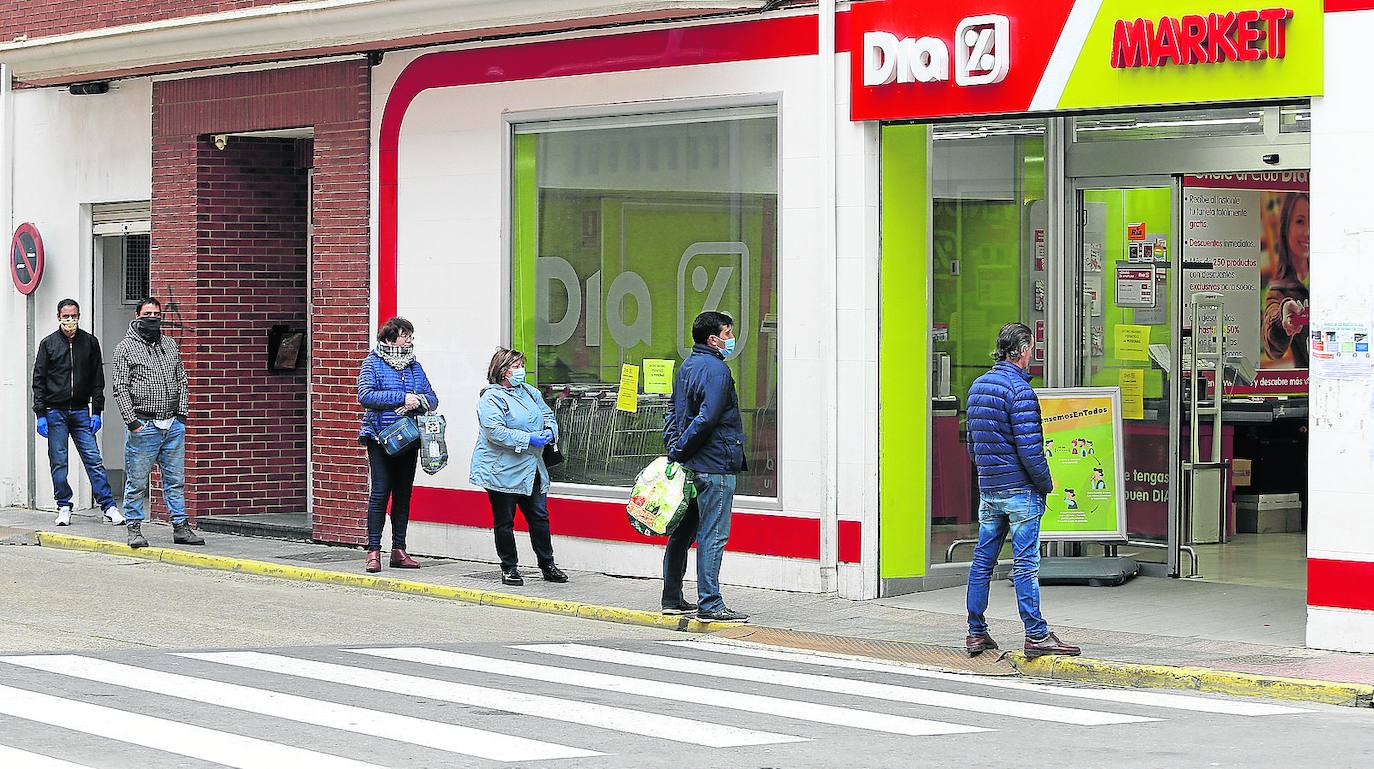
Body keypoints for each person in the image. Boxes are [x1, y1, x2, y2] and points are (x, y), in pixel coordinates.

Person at [964, 322, 1079, 658]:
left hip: (990, 488)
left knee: (983, 561)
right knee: (1025, 564)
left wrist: (988, 473)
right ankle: (1036, 634)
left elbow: (973, 444)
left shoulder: (978, 387)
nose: (1033, 354)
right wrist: (1045, 484)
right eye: (1032, 348)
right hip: (1020, 490)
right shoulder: (1020, 391)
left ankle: (975, 632)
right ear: (1024, 349)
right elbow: (1031, 451)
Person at [661, 311, 749, 623]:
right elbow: (708, 418)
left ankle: (671, 597)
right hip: (714, 464)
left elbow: (672, 408)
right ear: (713, 340)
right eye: (727, 334)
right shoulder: (717, 371)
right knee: (713, 534)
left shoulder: (688, 365)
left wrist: (674, 447)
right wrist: (681, 448)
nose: (731, 339)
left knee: (682, 532)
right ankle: (710, 603)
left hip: (691, 464)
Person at [469, 348, 568, 586]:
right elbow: (495, 431)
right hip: (502, 470)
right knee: (505, 520)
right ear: (502, 371)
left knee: (540, 517)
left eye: (522, 365)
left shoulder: (530, 393)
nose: (521, 370)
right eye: (516, 366)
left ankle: (547, 564)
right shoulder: (491, 398)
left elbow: (548, 416)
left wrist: (548, 432)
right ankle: (509, 568)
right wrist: (528, 439)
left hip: (531, 467)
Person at [110, 297, 202, 549]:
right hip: (144, 424)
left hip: (172, 425)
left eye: (157, 313)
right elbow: (120, 388)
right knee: (138, 481)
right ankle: (134, 529)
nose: (152, 318)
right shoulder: (125, 348)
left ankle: (181, 527)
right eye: (147, 313)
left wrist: (181, 416)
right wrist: (132, 422)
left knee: (175, 480)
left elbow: (182, 379)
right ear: (136, 317)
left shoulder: (170, 345)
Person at [357, 316, 438, 573]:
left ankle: (399, 550)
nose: (410, 341)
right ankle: (373, 551)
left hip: (410, 438)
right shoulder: (373, 363)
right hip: (381, 438)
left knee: (403, 494)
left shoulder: (415, 367)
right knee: (380, 493)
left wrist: (419, 401)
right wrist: (403, 397)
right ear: (390, 338)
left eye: (411, 336)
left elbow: (433, 398)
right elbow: (366, 395)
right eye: (405, 336)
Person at [32, 299, 122, 527]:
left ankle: (109, 506)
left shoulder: (90, 343)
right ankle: (63, 505)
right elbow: (38, 380)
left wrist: (97, 411)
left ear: (79, 316)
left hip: (82, 410)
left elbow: (97, 380)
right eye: (65, 316)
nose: (70, 320)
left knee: (93, 459)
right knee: (59, 461)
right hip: (55, 412)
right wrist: (40, 414)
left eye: (73, 316)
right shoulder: (48, 344)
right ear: (58, 317)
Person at [1262, 193, 1311, 366]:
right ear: (1286, 228)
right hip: (1303, 388)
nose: (1308, 232)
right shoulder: (1278, 290)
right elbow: (1272, 347)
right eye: (1300, 221)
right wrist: (1282, 321)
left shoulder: (1331, 278)